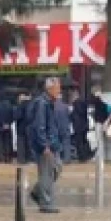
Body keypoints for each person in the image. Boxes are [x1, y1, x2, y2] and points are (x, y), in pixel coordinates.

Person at [28, 76, 63, 213]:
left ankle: (37, 192)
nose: (59, 90)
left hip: (53, 143)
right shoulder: (42, 104)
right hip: (46, 145)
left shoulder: (50, 102)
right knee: (46, 173)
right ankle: (46, 202)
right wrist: (44, 145)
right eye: (57, 88)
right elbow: (40, 125)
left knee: (56, 169)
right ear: (49, 89)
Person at [0, 92, 15, 163]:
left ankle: (1, 158)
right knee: (7, 142)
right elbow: (12, 115)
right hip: (7, 126)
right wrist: (8, 123)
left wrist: (2, 123)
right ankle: (8, 157)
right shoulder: (9, 105)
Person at [70, 89, 90, 162]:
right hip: (84, 125)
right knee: (84, 141)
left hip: (78, 126)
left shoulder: (76, 103)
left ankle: (82, 157)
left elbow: (76, 114)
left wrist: (71, 115)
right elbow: (84, 113)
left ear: (75, 96)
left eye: (72, 96)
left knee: (79, 142)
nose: (71, 97)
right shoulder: (84, 102)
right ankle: (86, 156)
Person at [54, 92, 73, 162]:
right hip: (65, 127)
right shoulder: (66, 106)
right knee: (66, 143)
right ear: (61, 96)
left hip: (56, 127)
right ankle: (67, 159)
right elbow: (70, 116)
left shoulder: (52, 106)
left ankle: (57, 159)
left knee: (56, 143)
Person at [14, 92, 32, 164]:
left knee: (21, 144)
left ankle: (21, 160)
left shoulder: (20, 106)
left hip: (21, 127)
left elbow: (18, 116)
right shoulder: (30, 105)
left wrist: (15, 117)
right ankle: (28, 159)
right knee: (27, 144)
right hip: (28, 127)